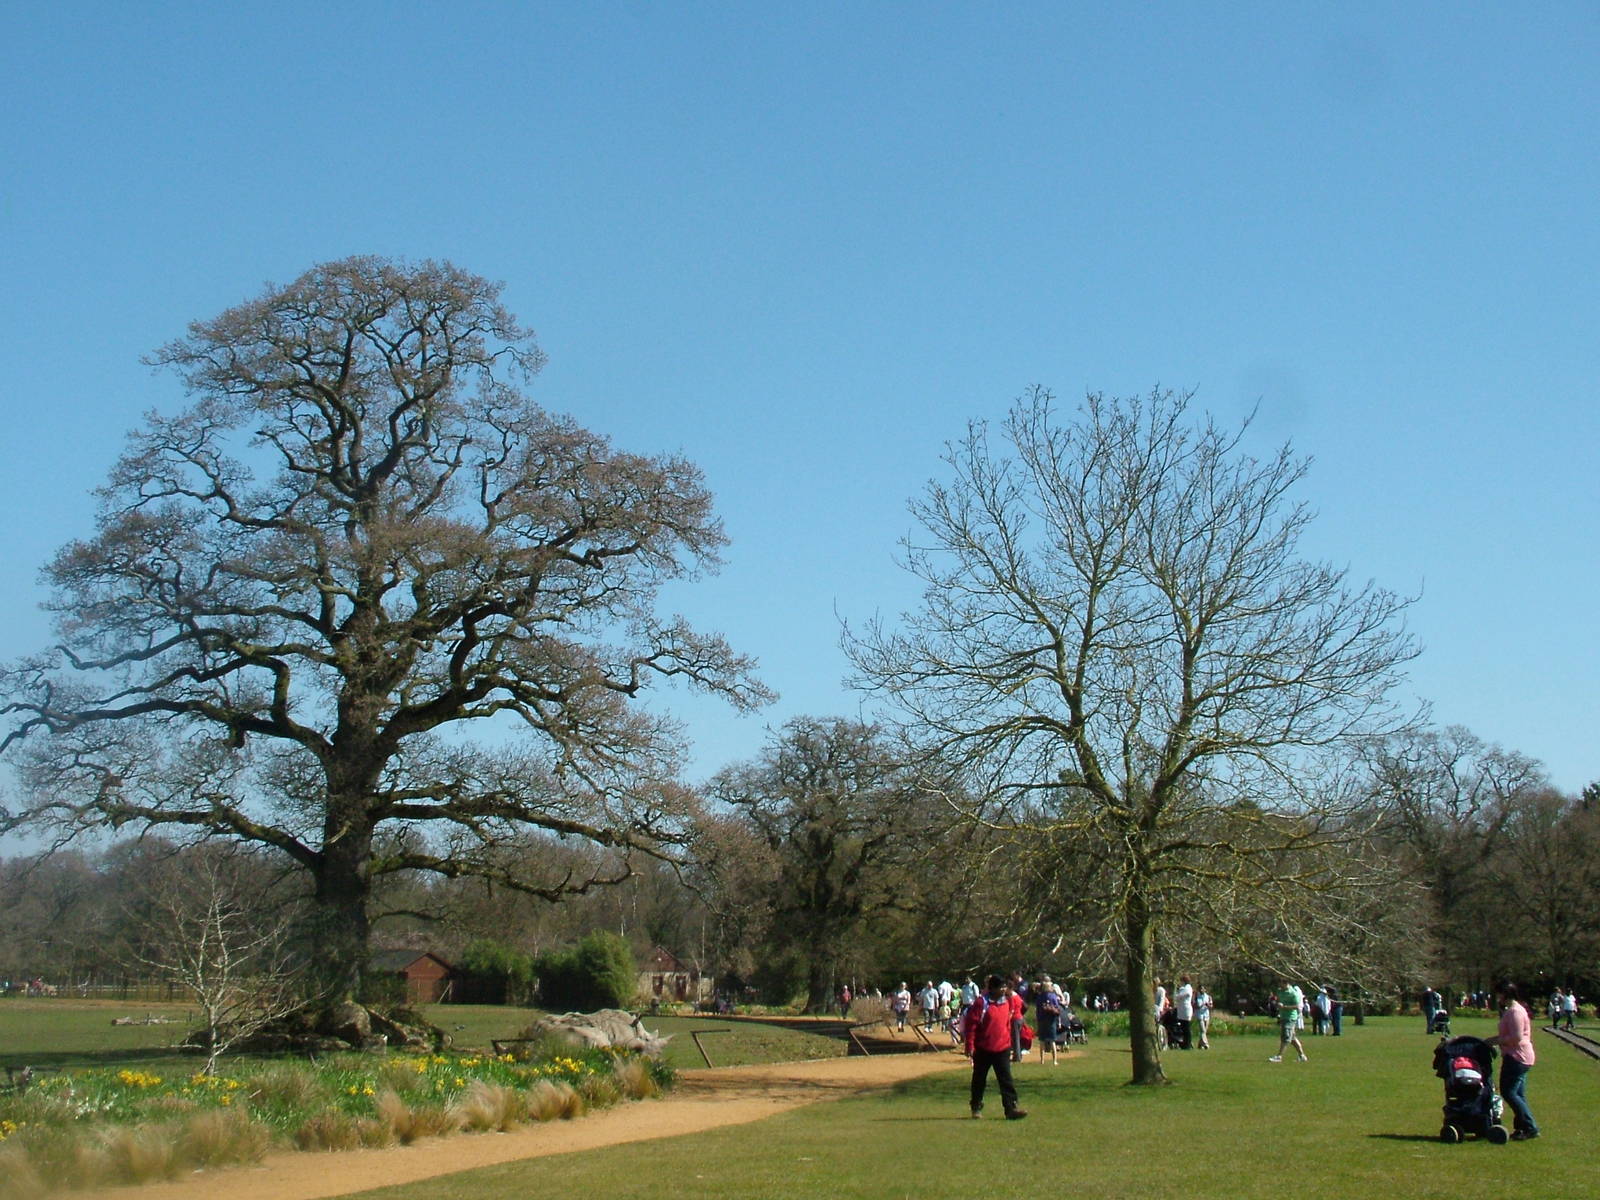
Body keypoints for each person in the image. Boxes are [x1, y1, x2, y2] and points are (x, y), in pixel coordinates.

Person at [964, 974, 1028, 1119]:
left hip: (1002, 1048)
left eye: (1005, 986)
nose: (1004, 989)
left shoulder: (1008, 1001)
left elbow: (1007, 1022)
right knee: (979, 1080)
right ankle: (976, 1107)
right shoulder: (982, 1003)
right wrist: (970, 1045)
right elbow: (971, 1025)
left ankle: (1011, 1108)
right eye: (1001, 987)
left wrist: (1008, 1042)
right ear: (992, 988)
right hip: (983, 1048)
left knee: (1006, 1080)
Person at [1485, 980, 1539, 1140]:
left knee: (1509, 1092)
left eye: (1498, 994)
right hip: (1519, 1055)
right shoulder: (1514, 1010)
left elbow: (1516, 1037)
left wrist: (1493, 1041)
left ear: (1505, 994)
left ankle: (1530, 1126)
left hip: (1517, 1056)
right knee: (1518, 1094)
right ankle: (1522, 1127)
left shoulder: (1515, 1012)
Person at [1269, 979, 1307, 1063]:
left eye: (1281, 983)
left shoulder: (1293, 993)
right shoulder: (1279, 991)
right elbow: (1278, 1000)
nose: (1280, 985)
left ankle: (1279, 1056)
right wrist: (1277, 1004)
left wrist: (1285, 1007)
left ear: (1286, 983)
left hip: (1290, 1017)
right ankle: (1302, 1056)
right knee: (1292, 1038)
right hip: (1283, 1016)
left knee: (1286, 1037)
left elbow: (1297, 1006)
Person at [1034, 975, 1063, 1065]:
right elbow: (1057, 1008)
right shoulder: (1053, 996)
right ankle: (1054, 1060)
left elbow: (1037, 1010)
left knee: (1042, 1041)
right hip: (1051, 1020)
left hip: (1042, 1020)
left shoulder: (1039, 997)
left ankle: (1042, 1060)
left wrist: (1038, 1019)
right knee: (1052, 1040)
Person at [1173, 975, 1195, 1049]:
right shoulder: (1184, 988)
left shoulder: (1187, 988)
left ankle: (1187, 1044)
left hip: (1185, 1010)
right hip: (1182, 1010)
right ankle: (1184, 1043)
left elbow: (1179, 996)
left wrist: (1178, 994)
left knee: (1186, 1028)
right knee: (1183, 1028)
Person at [1194, 982, 1213, 1049]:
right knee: (1203, 1030)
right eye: (1200, 989)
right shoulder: (1196, 997)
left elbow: (1211, 1006)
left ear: (1205, 989)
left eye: (1202, 989)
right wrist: (1200, 1005)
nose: (1201, 990)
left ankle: (1200, 1044)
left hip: (1206, 1015)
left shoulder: (1208, 997)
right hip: (1199, 1015)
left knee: (1204, 1031)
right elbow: (1194, 1005)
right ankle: (1206, 1044)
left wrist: (1208, 1005)